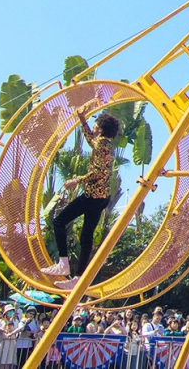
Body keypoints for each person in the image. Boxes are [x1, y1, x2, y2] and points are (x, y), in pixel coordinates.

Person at [43, 109, 121, 290]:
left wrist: (76, 180)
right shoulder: (106, 144)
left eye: (95, 124)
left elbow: (99, 173)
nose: (93, 127)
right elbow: (90, 139)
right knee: (86, 237)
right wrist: (82, 119)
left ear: (100, 128)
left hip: (92, 196)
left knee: (59, 221)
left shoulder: (102, 145)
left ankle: (63, 263)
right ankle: (77, 279)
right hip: (101, 197)